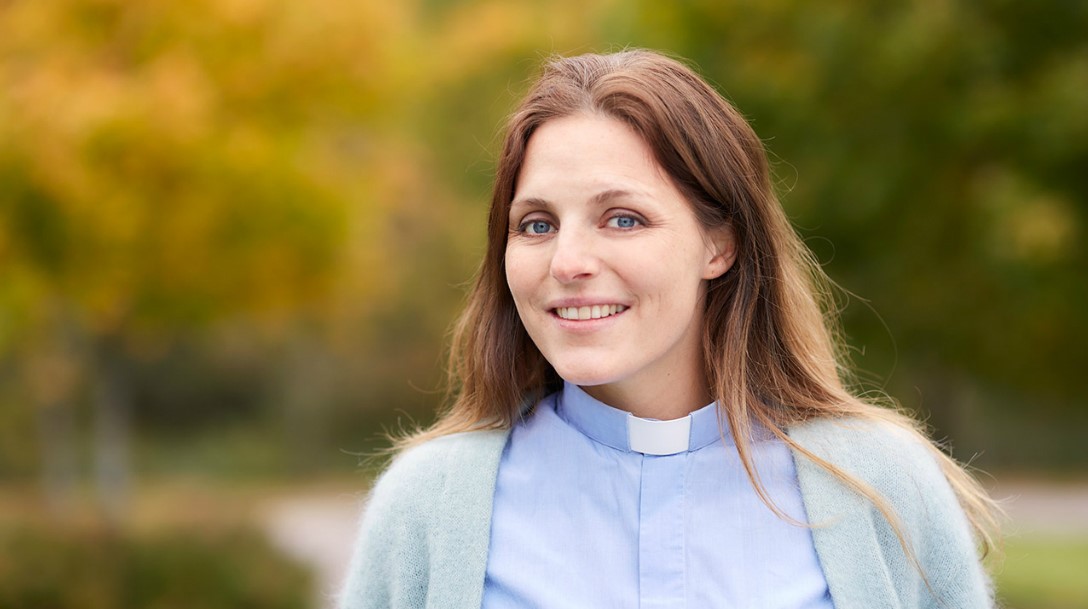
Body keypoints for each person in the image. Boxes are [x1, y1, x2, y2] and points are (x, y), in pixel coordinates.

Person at [338, 49, 1000, 609]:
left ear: (720, 244)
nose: (567, 262)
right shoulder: (428, 503)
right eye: (537, 224)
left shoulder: (881, 486)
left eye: (622, 218)